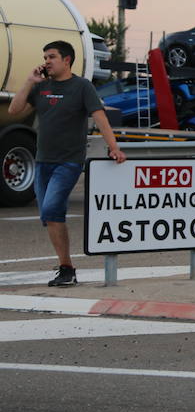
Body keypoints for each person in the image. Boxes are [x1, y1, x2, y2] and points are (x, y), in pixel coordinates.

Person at [8, 40, 127, 286]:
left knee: (51, 209)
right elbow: (14, 110)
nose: (47, 61)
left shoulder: (82, 87)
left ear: (67, 60)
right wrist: (30, 81)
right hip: (42, 162)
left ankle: (66, 269)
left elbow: (100, 117)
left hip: (69, 162)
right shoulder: (41, 87)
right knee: (50, 216)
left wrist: (113, 147)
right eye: (45, 56)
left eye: (52, 56)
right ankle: (66, 269)